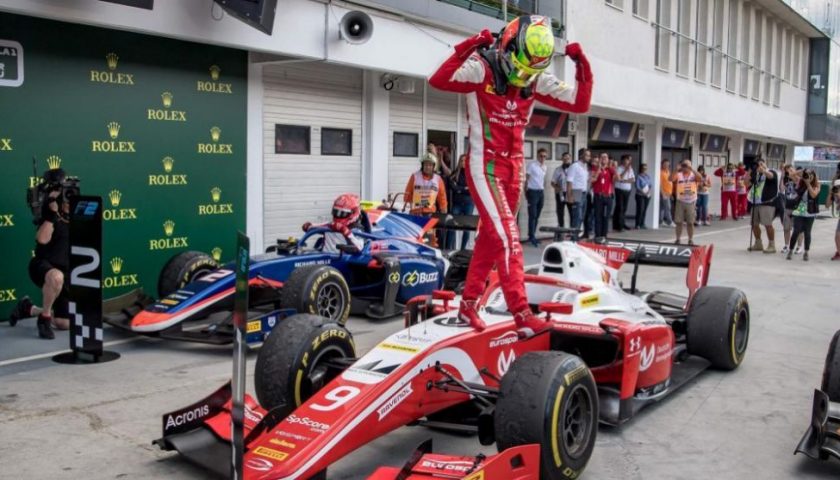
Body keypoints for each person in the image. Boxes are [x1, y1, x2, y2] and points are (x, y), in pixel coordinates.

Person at [429, 15, 593, 334]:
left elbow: (580, 102)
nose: (522, 78)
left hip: (515, 168)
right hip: (485, 165)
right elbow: (438, 79)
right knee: (509, 239)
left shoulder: (535, 79)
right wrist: (469, 45)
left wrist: (581, 63)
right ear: (507, 49)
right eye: (519, 69)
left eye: (529, 73)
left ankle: (468, 305)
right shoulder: (481, 68)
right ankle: (520, 312)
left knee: (491, 241)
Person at [10, 169, 72, 339]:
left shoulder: (76, 215)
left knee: (63, 323)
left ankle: (27, 308)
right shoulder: (50, 213)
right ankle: (44, 320)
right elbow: (42, 239)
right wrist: (52, 214)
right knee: (56, 277)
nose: (68, 199)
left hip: (65, 273)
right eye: (65, 196)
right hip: (43, 266)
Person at [405, 153, 448, 246]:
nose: (427, 167)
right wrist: (408, 204)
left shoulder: (438, 179)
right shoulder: (415, 176)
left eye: (430, 165)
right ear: (422, 165)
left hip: (430, 213)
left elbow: (442, 196)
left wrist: (444, 209)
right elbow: (408, 193)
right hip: (415, 212)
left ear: (433, 167)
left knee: (430, 238)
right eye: (426, 164)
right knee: (415, 237)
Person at [745, 156, 779, 253]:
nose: (759, 166)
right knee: (754, 224)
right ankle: (758, 243)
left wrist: (763, 170)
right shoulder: (756, 175)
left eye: (761, 164)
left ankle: (772, 245)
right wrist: (750, 171)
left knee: (768, 224)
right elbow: (746, 184)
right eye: (757, 165)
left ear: (765, 163)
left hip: (767, 202)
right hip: (755, 202)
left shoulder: (772, 172)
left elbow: (770, 176)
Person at [786, 169, 821, 261]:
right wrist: (803, 171)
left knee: (807, 232)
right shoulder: (801, 182)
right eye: (807, 175)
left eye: (811, 175)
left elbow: (813, 195)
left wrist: (808, 183)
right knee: (796, 231)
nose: (808, 177)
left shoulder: (817, 185)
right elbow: (790, 175)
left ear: (814, 176)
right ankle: (790, 250)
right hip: (799, 210)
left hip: (810, 211)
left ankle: (806, 252)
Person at [446, 154, 475, 250]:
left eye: (465, 160)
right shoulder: (455, 173)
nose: (463, 163)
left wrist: (460, 189)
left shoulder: (472, 174)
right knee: (452, 225)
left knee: (467, 228)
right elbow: (452, 187)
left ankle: (462, 250)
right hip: (457, 204)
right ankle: (449, 249)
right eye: (462, 160)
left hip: (468, 204)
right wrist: (464, 189)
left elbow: (472, 189)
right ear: (459, 162)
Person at [672, 159, 700, 245]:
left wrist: (692, 169)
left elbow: (700, 178)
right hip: (680, 201)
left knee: (690, 222)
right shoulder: (679, 174)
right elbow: (671, 179)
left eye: (687, 166)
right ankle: (678, 239)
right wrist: (676, 170)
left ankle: (690, 239)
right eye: (684, 165)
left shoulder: (693, 175)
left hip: (691, 201)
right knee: (679, 222)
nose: (685, 167)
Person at [525, 148, 548, 247]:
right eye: (541, 156)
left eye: (544, 156)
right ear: (537, 156)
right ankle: (531, 236)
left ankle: (532, 234)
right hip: (532, 192)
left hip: (540, 192)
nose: (542, 158)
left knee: (537, 215)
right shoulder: (532, 165)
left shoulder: (545, 167)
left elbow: (542, 180)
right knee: (532, 215)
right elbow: (526, 179)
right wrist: (526, 193)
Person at [566, 148, 591, 233]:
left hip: (584, 193)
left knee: (582, 217)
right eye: (587, 155)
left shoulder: (585, 167)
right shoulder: (574, 166)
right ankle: (573, 238)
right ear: (581, 156)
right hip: (577, 191)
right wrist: (569, 196)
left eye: (589, 155)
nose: (589, 157)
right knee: (577, 216)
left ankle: (576, 235)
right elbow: (569, 182)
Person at [592, 153, 616, 240]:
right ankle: (597, 236)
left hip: (608, 197)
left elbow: (617, 179)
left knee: (606, 217)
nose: (603, 159)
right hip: (598, 196)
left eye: (605, 157)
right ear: (599, 159)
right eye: (601, 157)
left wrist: (613, 169)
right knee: (598, 216)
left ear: (608, 159)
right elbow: (592, 179)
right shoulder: (594, 168)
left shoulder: (610, 169)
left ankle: (604, 236)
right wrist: (599, 169)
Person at [781, 165, 804, 255]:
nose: (789, 172)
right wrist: (782, 176)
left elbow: (797, 178)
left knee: (798, 229)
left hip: (797, 207)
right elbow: (781, 189)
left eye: (791, 169)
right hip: (788, 206)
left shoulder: (799, 180)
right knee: (786, 228)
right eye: (788, 170)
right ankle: (787, 245)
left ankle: (799, 246)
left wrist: (793, 173)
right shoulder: (786, 180)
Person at [613, 154, 635, 232]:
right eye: (627, 160)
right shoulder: (619, 168)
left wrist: (625, 181)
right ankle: (618, 226)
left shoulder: (631, 169)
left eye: (629, 160)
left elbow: (633, 179)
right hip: (619, 190)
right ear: (623, 160)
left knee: (624, 208)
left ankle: (622, 223)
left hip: (627, 190)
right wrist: (625, 171)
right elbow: (620, 178)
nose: (628, 162)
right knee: (620, 207)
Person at [551, 152, 571, 227]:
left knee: (572, 212)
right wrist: (557, 188)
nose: (566, 160)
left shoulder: (573, 169)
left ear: (570, 159)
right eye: (564, 158)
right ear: (562, 159)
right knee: (560, 213)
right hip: (560, 193)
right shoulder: (558, 169)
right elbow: (552, 182)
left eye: (568, 158)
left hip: (570, 193)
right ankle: (561, 230)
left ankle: (572, 232)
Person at [827, 164, 840, 260]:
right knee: (837, 236)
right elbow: (827, 205)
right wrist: (831, 193)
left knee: (838, 236)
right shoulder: (835, 188)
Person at [634, 163, 652, 229]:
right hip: (640, 195)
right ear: (641, 169)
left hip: (647, 195)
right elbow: (637, 186)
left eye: (646, 168)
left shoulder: (647, 176)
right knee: (640, 209)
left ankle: (642, 223)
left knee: (644, 209)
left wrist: (648, 191)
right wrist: (643, 192)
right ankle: (637, 224)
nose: (645, 169)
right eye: (643, 168)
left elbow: (650, 185)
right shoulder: (638, 176)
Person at [660, 161, 675, 227]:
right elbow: (659, 184)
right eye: (665, 164)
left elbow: (670, 183)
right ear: (662, 165)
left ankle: (660, 221)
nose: (666, 166)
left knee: (662, 208)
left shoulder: (668, 172)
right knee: (668, 207)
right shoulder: (660, 172)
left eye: (668, 165)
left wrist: (671, 194)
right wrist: (662, 192)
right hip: (664, 193)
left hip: (669, 193)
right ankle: (669, 221)